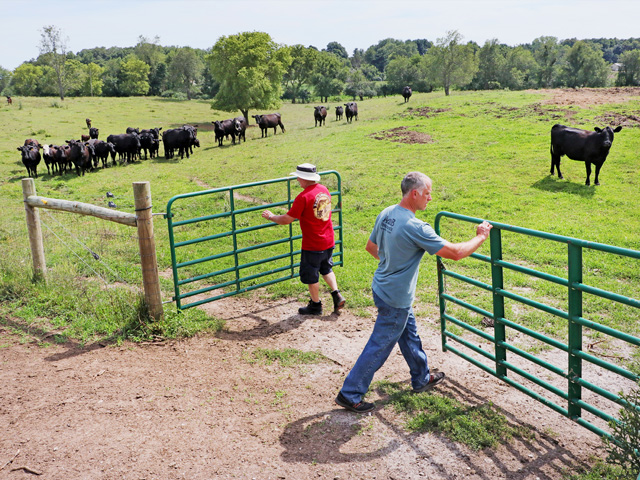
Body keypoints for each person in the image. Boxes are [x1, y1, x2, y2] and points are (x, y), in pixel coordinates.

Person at [335, 172, 493, 413]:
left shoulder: (387, 213)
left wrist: (392, 263)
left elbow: (370, 247)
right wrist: (481, 236)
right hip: (395, 297)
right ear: (415, 193)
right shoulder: (415, 227)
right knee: (380, 345)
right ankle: (351, 392)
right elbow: (456, 252)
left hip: (382, 287)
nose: (430, 198)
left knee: (408, 334)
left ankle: (421, 378)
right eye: (428, 193)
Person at [262, 163, 345, 315]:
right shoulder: (324, 190)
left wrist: (271, 216)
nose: (298, 181)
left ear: (304, 179)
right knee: (326, 268)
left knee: (311, 274)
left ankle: (315, 305)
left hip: (313, 243)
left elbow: (287, 219)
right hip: (328, 239)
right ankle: (336, 294)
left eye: (299, 178)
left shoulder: (303, 197)